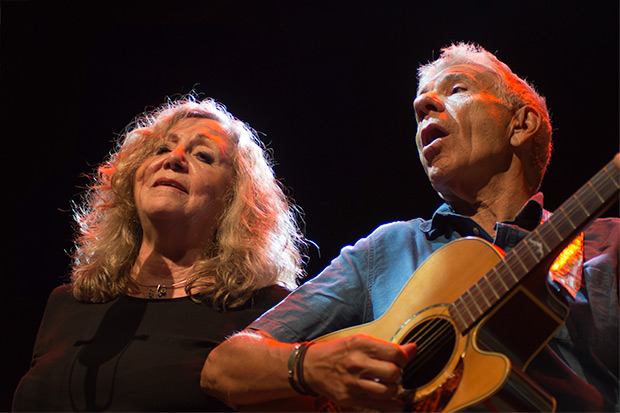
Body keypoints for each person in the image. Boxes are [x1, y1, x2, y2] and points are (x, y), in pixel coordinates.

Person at [201, 43, 619, 412]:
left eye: (456, 89)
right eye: (419, 105)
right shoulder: (386, 249)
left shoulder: (608, 245)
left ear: (521, 125)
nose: (424, 107)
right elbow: (226, 366)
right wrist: (310, 367)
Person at [12, 96, 307, 411]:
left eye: (203, 156)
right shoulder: (68, 303)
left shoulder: (266, 310)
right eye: (162, 149)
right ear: (132, 180)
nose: (174, 158)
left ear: (234, 199)